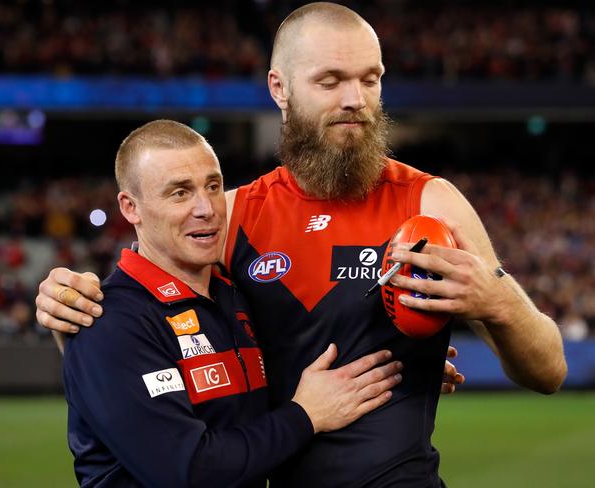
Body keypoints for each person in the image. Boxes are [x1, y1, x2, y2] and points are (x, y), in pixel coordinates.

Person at [36, 3, 567, 487]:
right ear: (280, 88)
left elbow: (548, 372)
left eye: (370, 79)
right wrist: (72, 303)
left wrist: (497, 303)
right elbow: (138, 312)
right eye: (330, 81)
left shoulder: (430, 203)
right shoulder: (235, 212)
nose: (355, 100)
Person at [63, 119, 404, 487]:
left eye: (213, 186)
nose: (206, 208)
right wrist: (305, 416)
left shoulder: (236, 296)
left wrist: (412, 356)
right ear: (132, 208)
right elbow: (189, 471)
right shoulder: (110, 321)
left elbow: (299, 352)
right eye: (180, 193)